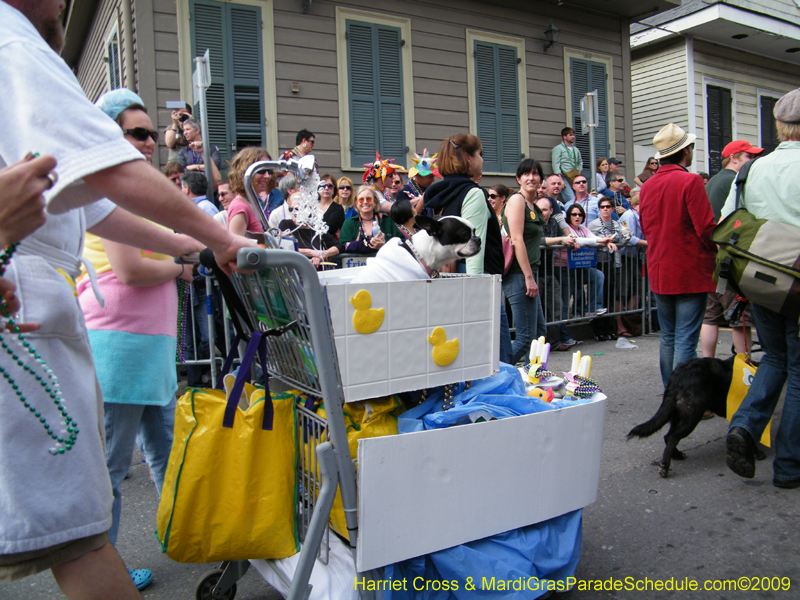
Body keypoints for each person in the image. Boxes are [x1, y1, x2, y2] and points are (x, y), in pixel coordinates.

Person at [0, 2, 252, 595]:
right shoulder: (13, 41)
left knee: (83, 519)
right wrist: (214, 239)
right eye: (132, 134)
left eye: (146, 134)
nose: (64, 3)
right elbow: (116, 197)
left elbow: (105, 210)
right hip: (66, 336)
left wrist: (197, 246)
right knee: (84, 529)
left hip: (71, 333)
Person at [78, 90, 195, 590]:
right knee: (109, 472)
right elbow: (127, 271)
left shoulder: (130, 191)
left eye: (151, 133)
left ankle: (189, 537)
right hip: (118, 347)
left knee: (167, 456)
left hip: (146, 349)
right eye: (138, 133)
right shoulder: (108, 191)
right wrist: (182, 268)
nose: (150, 142)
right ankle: (106, 573)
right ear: (110, 134)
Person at [721, 88, 800, 489]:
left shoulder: (750, 170)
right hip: (798, 284)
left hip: (763, 280)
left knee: (774, 359)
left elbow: (728, 222)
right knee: (798, 369)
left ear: (780, 127)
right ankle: (788, 466)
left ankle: (745, 428)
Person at [639, 123, 717, 389]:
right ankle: (684, 397)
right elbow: (706, 228)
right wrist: (717, 249)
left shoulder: (648, 186)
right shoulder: (690, 180)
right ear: (686, 151)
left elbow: (647, 226)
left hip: (660, 267)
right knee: (684, 338)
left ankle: (671, 394)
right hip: (688, 268)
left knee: (669, 336)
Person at [423, 133, 512, 364]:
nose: (482, 160)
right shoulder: (472, 193)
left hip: (453, 280)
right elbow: (475, 249)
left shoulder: (441, 192)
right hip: (479, 282)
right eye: (480, 154)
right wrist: (479, 295)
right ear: (469, 159)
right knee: (498, 357)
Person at [499, 159, 547, 365]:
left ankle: (533, 377)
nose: (531, 177)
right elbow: (517, 239)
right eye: (526, 174)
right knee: (526, 337)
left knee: (539, 333)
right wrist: (529, 278)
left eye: (536, 174)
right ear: (518, 178)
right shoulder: (517, 200)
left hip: (527, 273)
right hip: (519, 275)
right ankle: (494, 372)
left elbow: (532, 239)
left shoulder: (531, 205)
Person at [588, 197, 645, 341]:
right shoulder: (593, 224)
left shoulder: (617, 223)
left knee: (612, 296)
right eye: (602, 207)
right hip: (601, 262)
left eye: (608, 206)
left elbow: (625, 238)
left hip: (615, 262)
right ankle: (599, 330)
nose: (605, 209)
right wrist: (603, 241)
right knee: (601, 296)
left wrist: (625, 237)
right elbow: (590, 241)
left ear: (613, 209)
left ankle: (610, 328)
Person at [535, 196, 577, 345]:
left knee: (557, 307)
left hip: (550, 272)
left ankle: (554, 342)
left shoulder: (554, 223)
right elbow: (538, 240)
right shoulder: (534, 223)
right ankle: (537, 345)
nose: (542, 213)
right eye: (539, 210)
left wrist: (572, 239)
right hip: (535, 273)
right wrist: (560, 239)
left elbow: (570, 235)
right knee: (537, 311)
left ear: (551, 211)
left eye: (545, 210)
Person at [705, 140, 763, 221]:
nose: (752, 161)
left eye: (754, 157)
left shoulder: (713, 180)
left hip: (713, 231)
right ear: (733, 158)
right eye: (749, 157)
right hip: (725, 231)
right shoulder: (736, 181)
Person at [339, 186, 401, 253]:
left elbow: (400, 242)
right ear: (356, 203)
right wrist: (370, 244)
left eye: (368, 199)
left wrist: (384, 245)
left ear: (375, 202)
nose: (365, 202)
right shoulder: (349, 223)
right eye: (361, 199)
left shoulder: (386, 221)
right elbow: (344, 246)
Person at [226, 147, 267, 236]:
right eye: (261, 171)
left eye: (269, 171)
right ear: (244, 172)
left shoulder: (253, 202)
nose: (267, 176)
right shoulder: (240, 207)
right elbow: (236, 247)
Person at [176, 118, 222, 189]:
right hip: (190, 189)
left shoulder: (212, 149)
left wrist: (194, 167)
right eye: (184, 130)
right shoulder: (183, 152)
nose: (185, 132)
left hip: (210, 188)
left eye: (187, 129)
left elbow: (216, 167)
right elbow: (181, 170)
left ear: (197, 130)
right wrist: (204, 168)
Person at [396, 148, 438, 215]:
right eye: (430, 177)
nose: (433, 180)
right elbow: (410, 220)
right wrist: (422, 200)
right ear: (418, 175)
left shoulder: (430, 191)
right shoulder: (403, 194)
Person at [551, 127, 582, 203]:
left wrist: (579, 174)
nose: (573, 137)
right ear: (564, 137)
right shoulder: (558, 148)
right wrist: (560, 180)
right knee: (571, 199)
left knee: (580, 198)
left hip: (575, 177)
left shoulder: (576, 149)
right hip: (564, 177)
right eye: (570, 135)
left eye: (573, 135)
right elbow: (556, 164)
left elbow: (580, 162)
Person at [317, 173, 345, 237]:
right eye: (323, 185)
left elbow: (330, 229)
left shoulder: (338, 209)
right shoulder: (312, 207)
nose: (326, 188)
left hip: (329, 244)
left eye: (330, 186)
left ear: (334, 190)